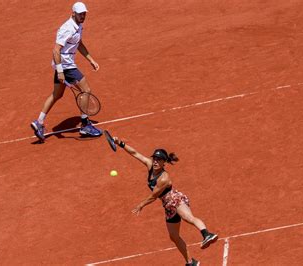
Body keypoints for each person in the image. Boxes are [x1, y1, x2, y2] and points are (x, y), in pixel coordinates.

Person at [112, 136, 218, 266]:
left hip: (175, 199)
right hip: (167, 206)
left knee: (187, 217)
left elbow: (154, 195)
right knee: (174, 236)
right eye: (154, 158)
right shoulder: (150, 165)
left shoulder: (164, 178)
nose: (155, 161)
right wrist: (120, 143)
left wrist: (141, 205)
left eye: (159, 159)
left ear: (164, 162)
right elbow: (135, 153)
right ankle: (191, 262)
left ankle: (206, 234)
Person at [31, 2, 102, 141]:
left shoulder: (78, 25)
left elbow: (79, 44)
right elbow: (56, 50)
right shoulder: (67, 28)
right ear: (73, 13)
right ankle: (85, 124)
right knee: (86, 90)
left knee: (57, 94)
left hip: (64, 66)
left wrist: (91, 60)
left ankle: (39, 122)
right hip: (66, 66)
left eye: (84, 13)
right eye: (80, 14)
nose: (83, 16)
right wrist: (60, 71)